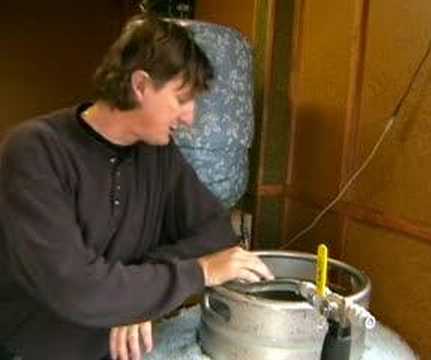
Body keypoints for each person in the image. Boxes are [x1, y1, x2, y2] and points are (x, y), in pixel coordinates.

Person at [0, 14, 273, 360]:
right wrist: (196, 272)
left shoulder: (158, 155)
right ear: (140, 85)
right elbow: (77, 288)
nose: (191, 117)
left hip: (119, 350)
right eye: (183, 98)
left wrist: (141, 293)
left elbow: (216, 232)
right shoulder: (33, 150)